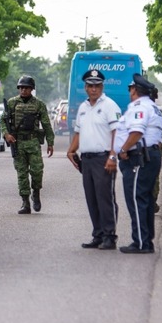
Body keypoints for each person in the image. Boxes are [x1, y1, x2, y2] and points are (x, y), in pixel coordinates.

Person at [66, 69, 122, 250]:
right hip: (87, 159)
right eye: (90, 86)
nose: (94, 89)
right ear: (85, 87)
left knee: (105, 198)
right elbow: (78, 132)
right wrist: (71, 150)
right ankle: (98, 234)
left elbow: (117, 132)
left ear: (102, 86)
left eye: (97, 85)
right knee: (92, 198)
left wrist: (113, 156)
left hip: (103, 158)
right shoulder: (83, 107)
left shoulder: (110, 106)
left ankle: (109, 236)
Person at [117, 73, 162, 254]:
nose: (129, 92)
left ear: (135, 90)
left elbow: (136, 131)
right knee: (145, 199)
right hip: (149, 155)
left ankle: (141, 242)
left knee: (137, 199)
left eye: (130, 88)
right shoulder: (153, 107)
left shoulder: (140, 106)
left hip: (139, 157)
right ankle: (146, 241)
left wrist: (123, 149)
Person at [1, 75, 55, 214]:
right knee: (22, 173)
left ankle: (36, 193)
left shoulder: (38, 104)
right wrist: (6, 134)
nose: (23, 90)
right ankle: (25, 202)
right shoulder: (12, 103)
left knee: (37, 171)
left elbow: (46, 124)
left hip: (33, 142)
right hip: (17, 143)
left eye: (26, 88)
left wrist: (50, 142)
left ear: (31, 89)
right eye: (21, 88)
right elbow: (3, 121)